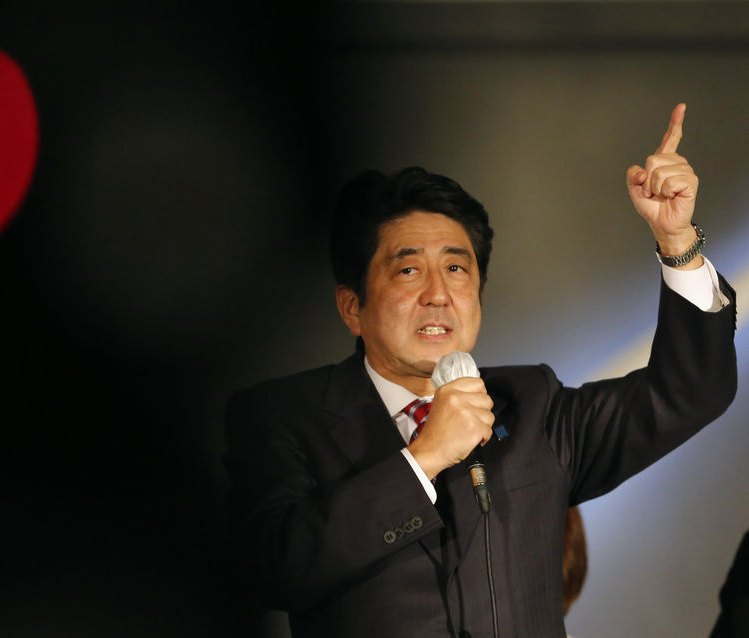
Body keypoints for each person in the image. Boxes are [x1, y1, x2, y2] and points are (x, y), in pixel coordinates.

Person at [224, 104, 736, 638]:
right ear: (353, 306)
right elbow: (273, 571)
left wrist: (678, 243)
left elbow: (691, 392)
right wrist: (424, 458)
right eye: (408, 270)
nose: (438, 294)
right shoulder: (283, 416)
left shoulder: (534, 403)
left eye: (455, 268)